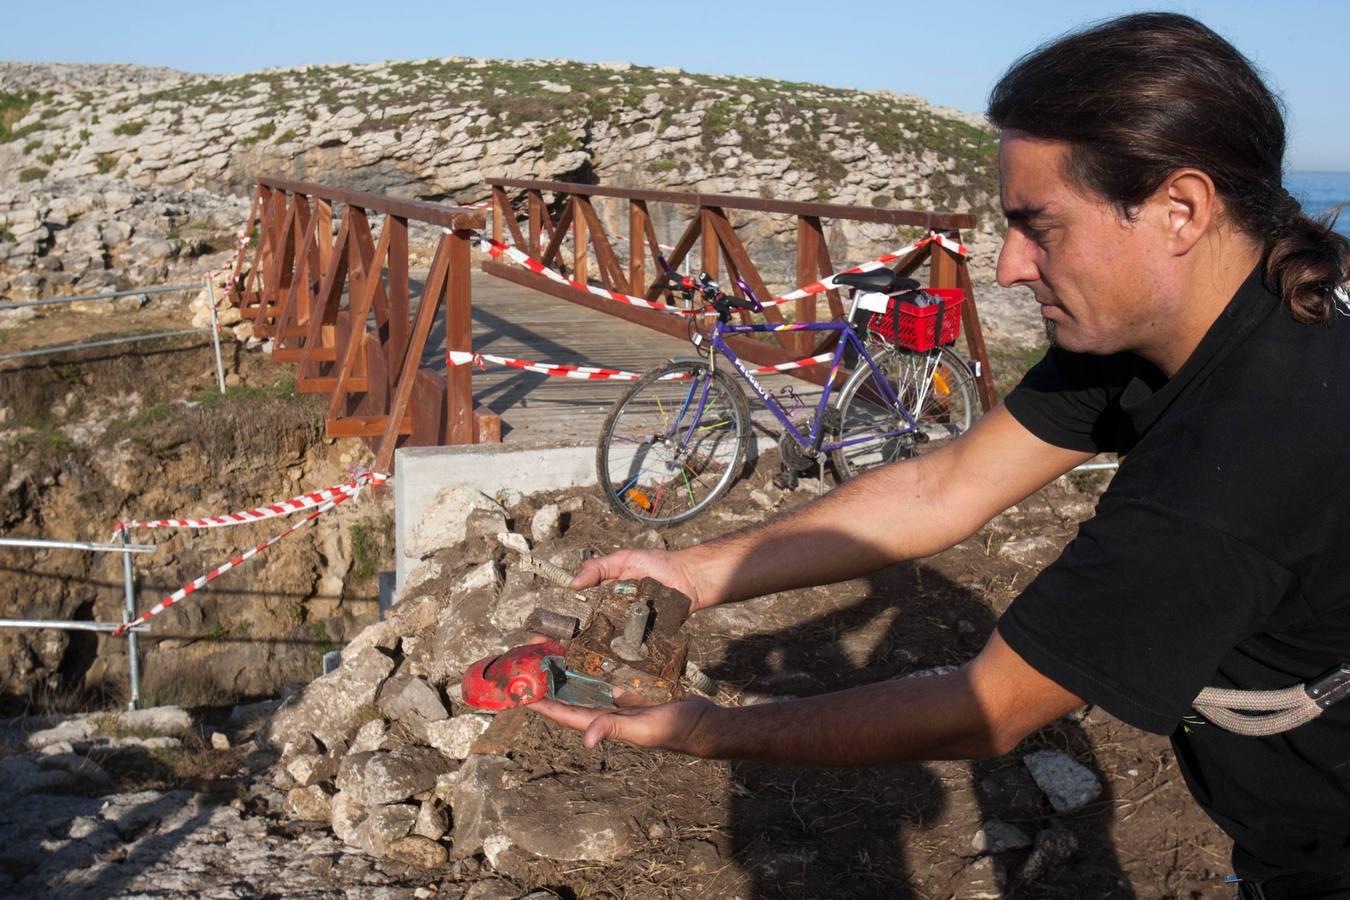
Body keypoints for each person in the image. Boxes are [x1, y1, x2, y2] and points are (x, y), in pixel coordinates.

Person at [530, 13, 1350, 897]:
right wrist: (693, 573)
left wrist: (706, 732)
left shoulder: (1238, 460)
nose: (1007, 268)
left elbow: (990, 708)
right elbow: (942, 486)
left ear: (1180, 209)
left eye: (1042, 228)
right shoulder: (1203, 322)